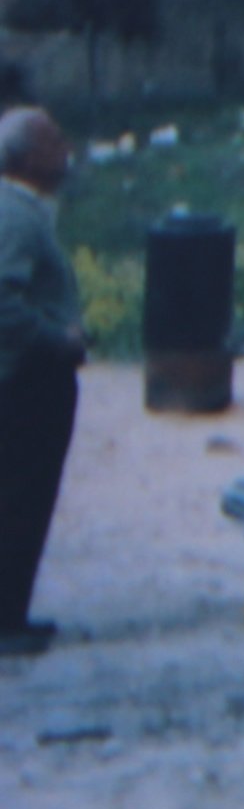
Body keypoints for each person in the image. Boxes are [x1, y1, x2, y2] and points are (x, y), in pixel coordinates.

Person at [0, 108, 85, 658]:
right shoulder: (14, 215)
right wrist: (58, 339)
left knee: (24, 496)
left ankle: (13, 613)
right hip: (25, 380)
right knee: (20, 496)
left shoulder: (26, 211)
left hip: (28, 375)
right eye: (54, 140)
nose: (65, 146)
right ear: (27, 156)